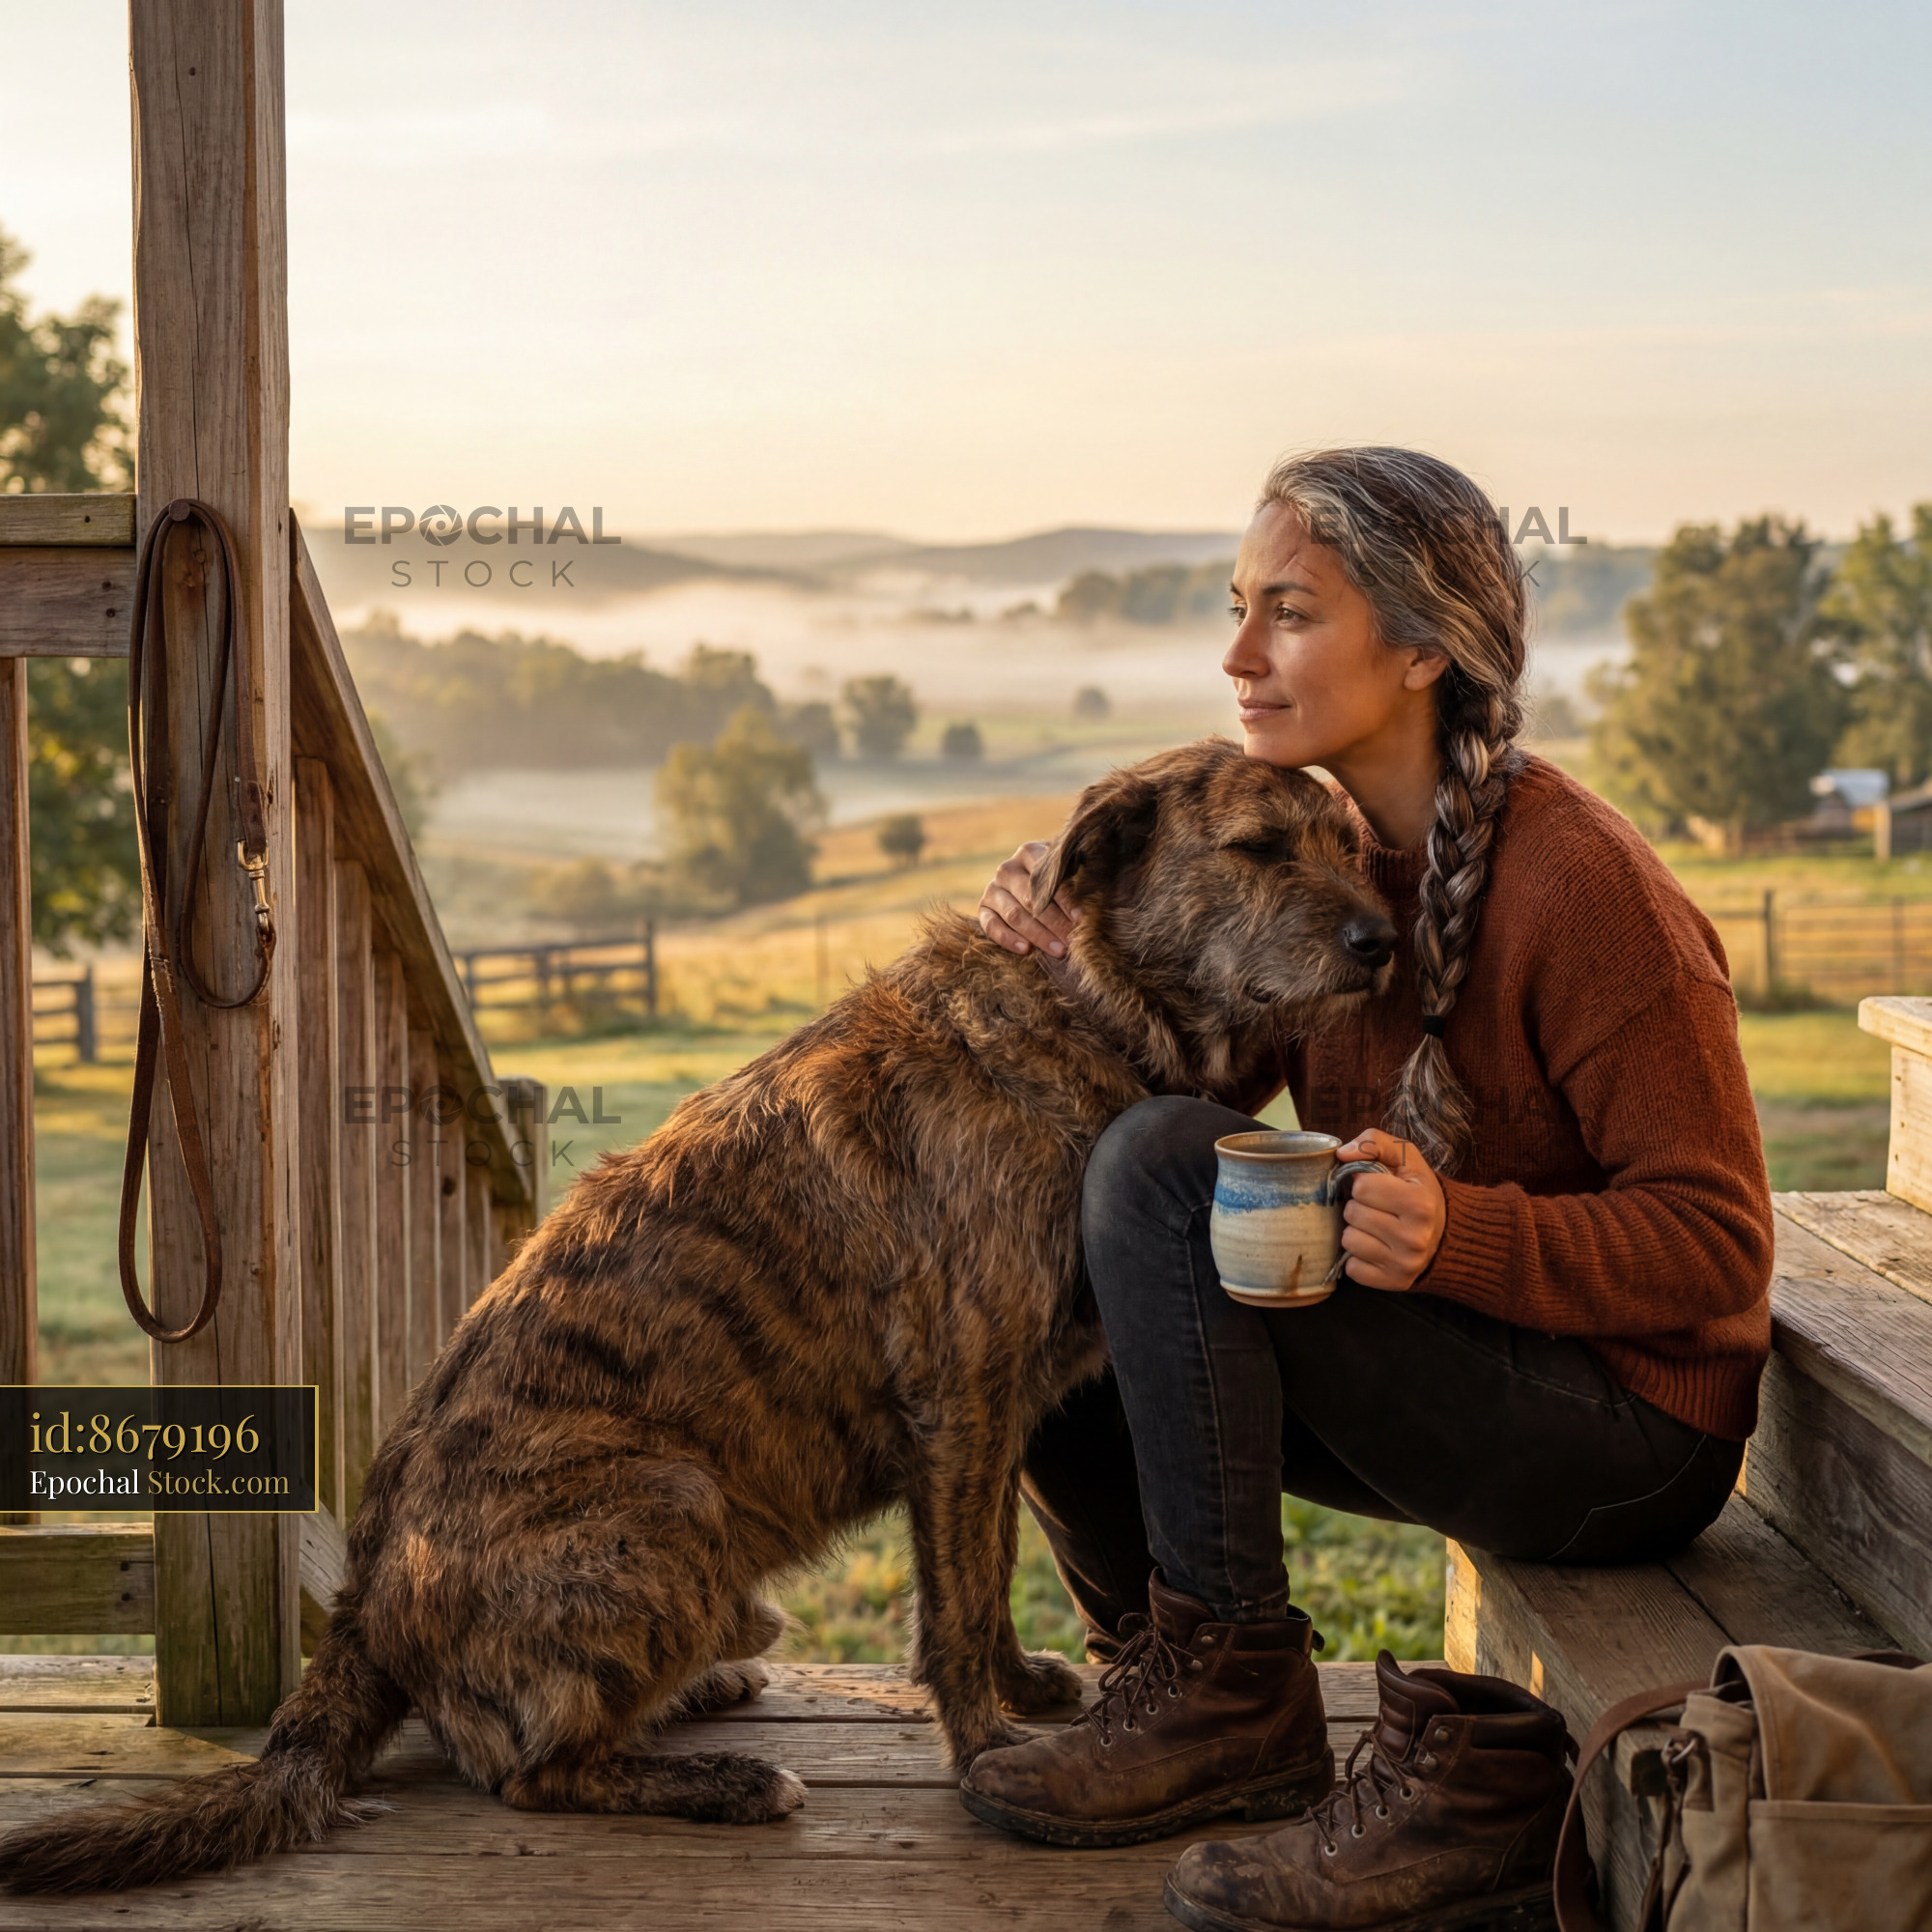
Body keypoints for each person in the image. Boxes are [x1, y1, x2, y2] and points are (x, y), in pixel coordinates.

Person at [958, 447, 1774, 1931]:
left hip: (1627, 1431)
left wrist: (1459, 1234)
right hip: (1457, 1372)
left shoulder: (1589, 892)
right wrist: (1067, 927)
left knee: (1144, 1168)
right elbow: (1182, 1109)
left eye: (1290, 612)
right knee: (1073, 1239)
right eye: (1237, 608)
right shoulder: (1340, 858)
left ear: (1420, 650)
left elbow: (1720, 1249)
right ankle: (1170, 1668)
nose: (1238, 654)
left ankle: (1230, 1688)